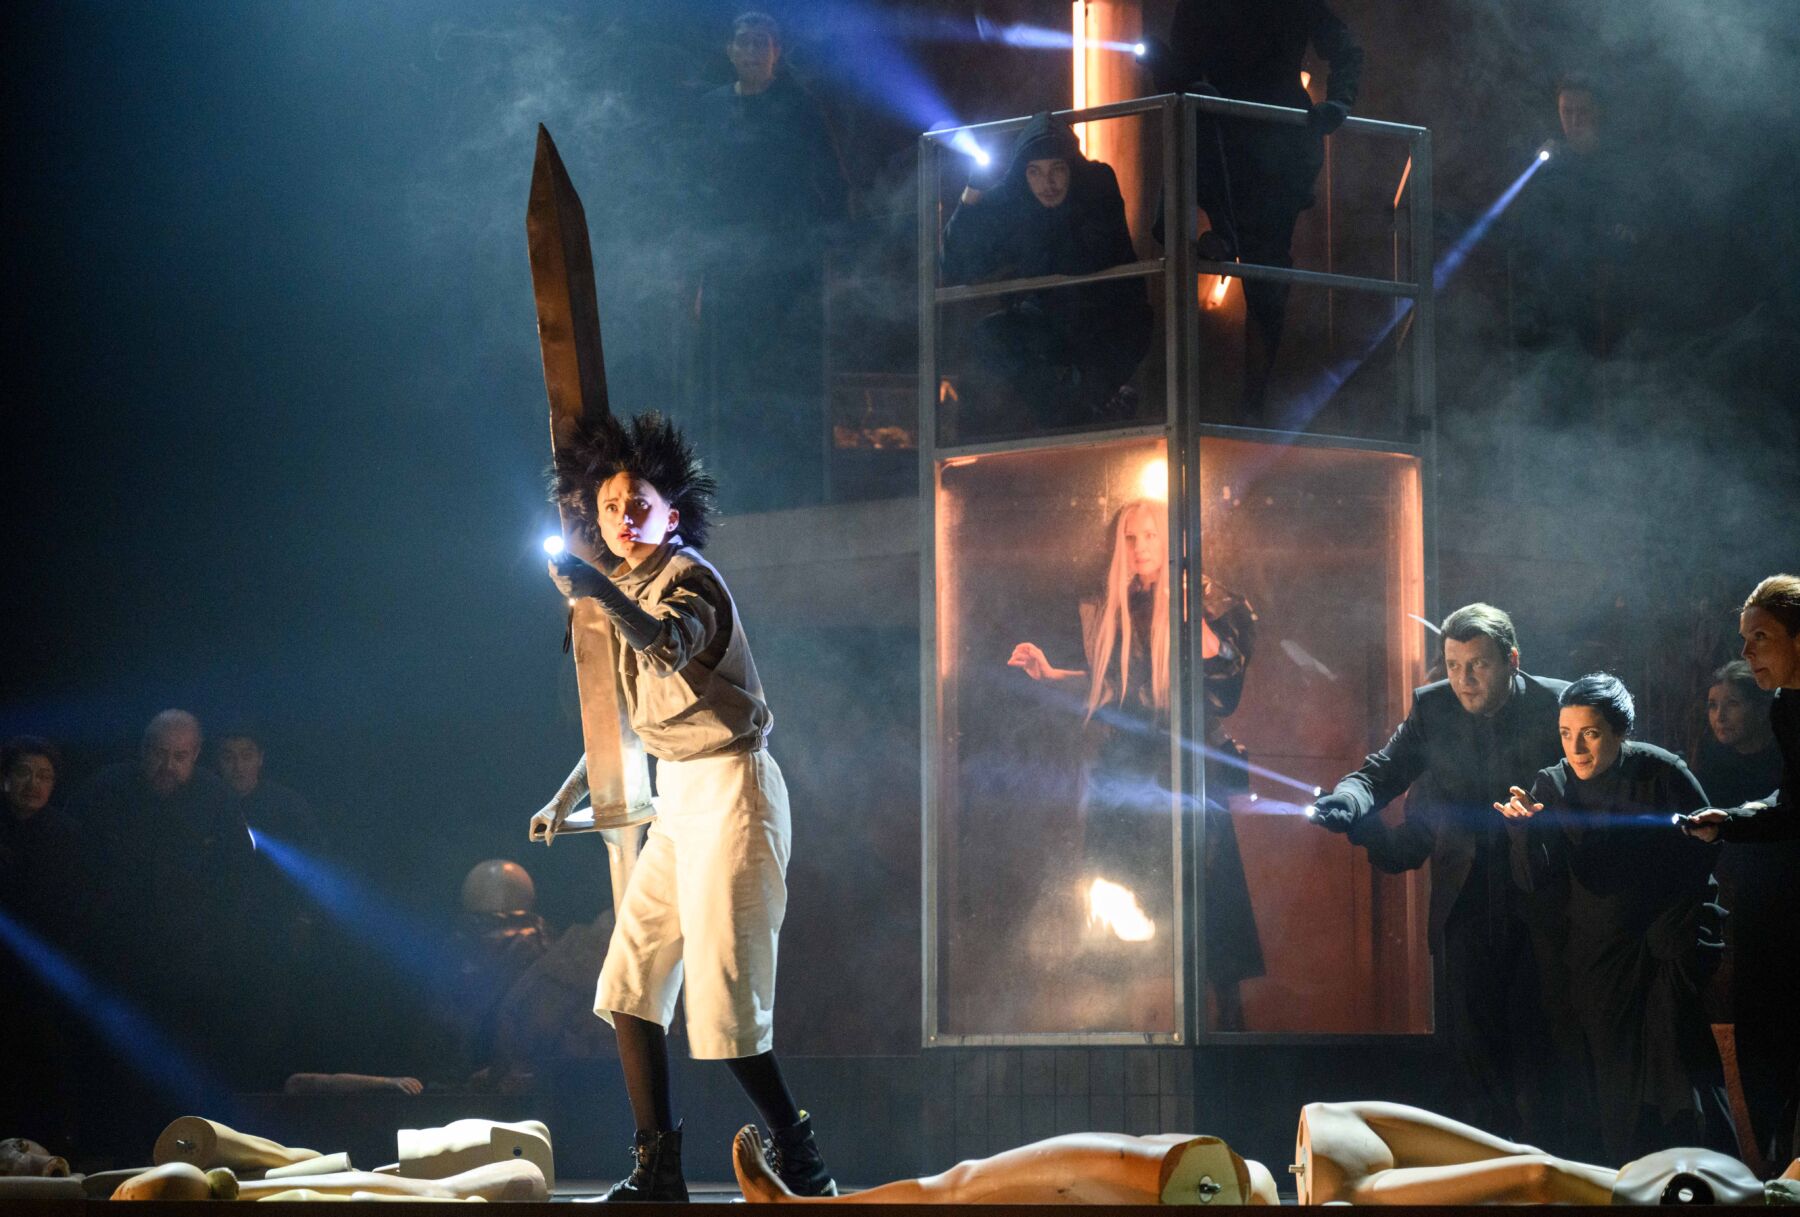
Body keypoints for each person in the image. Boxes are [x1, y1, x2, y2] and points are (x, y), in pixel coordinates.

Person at [532, 411, 834, 1200]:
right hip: (678, 794)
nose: (622, 518)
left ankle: (803, 1157)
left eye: (638, 504)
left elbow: (668, 645)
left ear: (671, 513)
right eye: (609, 507)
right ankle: (659, 1168)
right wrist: (565, 797)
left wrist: (597, 590)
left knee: (727, 1004)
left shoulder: (690, 576)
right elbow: (631, 723)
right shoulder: (619, 591)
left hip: (734, 788)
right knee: (628, 985)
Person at [1306, 604, 1572, 1147]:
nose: (1463, 680)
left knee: (1544, 1057)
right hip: (1465, 905)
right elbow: (1382, 771)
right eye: (1453, 666)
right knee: (1473, 1063)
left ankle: (1551, 1173)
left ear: (1512, 660)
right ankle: (1486, 1175)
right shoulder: (1434, 707)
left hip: (1543, 904)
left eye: (1478, 665)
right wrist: (1349, 801)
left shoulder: (1557, 705)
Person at [1008, 499, 1264, 1029]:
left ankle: (1226, 1027)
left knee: (1207, 902)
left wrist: (1190, 613)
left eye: (1150, 535)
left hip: (1186, 771)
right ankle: (1124, 1023)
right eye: (1130, 537)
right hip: (1127, 775)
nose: (1140, 546)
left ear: (1171, 542)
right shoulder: (1112, 607)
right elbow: (1117, 692)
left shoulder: (1208, 598)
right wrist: (1051, 675)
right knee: (1123, 892)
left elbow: (1226, 682)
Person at [1496, 674, 1730, 1161]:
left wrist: (1673, 924)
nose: (1576, 748)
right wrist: (1525, 832)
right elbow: (1533, 880)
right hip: (1598, 951)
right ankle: (1625, 1179)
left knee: (1679, 1065)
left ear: (1619, 731)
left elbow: (1708, 847)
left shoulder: (1661, 772)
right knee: (1613, 1079)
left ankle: (1706, 1176)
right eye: (1566, 733)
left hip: (1667, 942)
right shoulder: (1553, 785)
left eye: (1591, 733)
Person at [1152, 0, 1363, 420]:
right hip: (1221, 135)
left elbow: (1345, 48)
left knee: (1267, 277)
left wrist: (1339, 103)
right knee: (1253, 267)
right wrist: (1173, 76)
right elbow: (1179, 75)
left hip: (1276, 148)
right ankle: (1222, 403)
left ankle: (1253, 405)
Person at [690, 11, 850, 512]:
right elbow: (697, 191)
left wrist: (829, 249)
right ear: (730, 50)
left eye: (761, 42)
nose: (752, 51)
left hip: (788, 263)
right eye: (744, 42)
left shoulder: (799, 107)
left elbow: (831, 180)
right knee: (732, 377)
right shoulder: (711, 110)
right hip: (729, 265)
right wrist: (698, 268)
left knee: (789, 373)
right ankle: (735, 489)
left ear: (776, 52)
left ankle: (797, 487)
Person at [940, 113, 1154, 438]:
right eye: (1035, 172)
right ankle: (1088, 407)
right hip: (1049, 320)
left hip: (1109, 319)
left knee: (1079, 389)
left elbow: (1088, 255)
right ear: (1023, 175)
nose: (1048, 183)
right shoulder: (1014, 198)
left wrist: (1020, 258)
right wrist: (973, 194)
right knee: (990, 336)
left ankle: (1092, 402)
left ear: (1072, 168)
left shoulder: (1097, 183)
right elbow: (958, 266)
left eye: (1057, 169)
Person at [1694, 661, 1799, 1171]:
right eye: (1712, 705)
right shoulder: (1711, 763)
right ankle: (1766, 1165)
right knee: (1756, 1033)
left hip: (1788, 898)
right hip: (1746, 909)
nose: (1719, 715)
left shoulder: (1785, 755)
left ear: (1762, 708)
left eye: (1732, 704)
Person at [1296, 1099, 1796, 1206]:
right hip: (1339, 1132)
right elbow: (1539, 1173)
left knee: (1535, 1165)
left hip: (1342, 1154)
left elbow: (1540, 1175)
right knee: (1532, 1161)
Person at [733, 1124, 1279, 1205]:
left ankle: (790, 1206)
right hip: (1190, 1172)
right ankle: (794, 1205)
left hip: (1189, 1174)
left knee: (959, 1186)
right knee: (959, 1184)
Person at [0, 736, 82, 1153]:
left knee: (43, 1065)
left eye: (44, 776)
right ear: (4, 778)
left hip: (45, 972)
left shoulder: (66, 835)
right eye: (24, 773)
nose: (33, 784)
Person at [1683, 575, 1800, 844]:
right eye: (1745, 639)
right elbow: (1792, 805)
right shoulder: (1785, 704)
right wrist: (1729, 822)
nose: (1746, 652)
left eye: (1760, 636)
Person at [215, 727, 322, 850]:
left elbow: (315, 852)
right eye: (228, 758)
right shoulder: (208, 803)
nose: (238, 767)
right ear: (218, 760)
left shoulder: (288, 804)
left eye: (247, 756)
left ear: (260, 758)